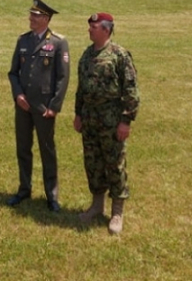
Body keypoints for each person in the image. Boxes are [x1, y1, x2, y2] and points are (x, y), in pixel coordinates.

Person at [73, 12, 139, 235]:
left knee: (114, 164)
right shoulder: (87, 54)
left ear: (106, 29)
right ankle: (96, 206)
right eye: (90, 27)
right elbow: (81, 88)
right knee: (93, 162)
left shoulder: (119, 55)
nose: (89, 30)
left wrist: (125, 121)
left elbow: (130, 90)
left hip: (111, 120)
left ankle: (117, 213)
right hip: (90, 119)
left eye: (94, 27)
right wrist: (78, 114)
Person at [7, 0, 70, 212]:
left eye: (35, 16)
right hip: (23, 105)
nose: (31, 18)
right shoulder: (23, 40)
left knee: (47, 150)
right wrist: (18, 95)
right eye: (31, 14)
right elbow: (13, 73)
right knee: (23, 148)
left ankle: (51, 195)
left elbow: (63, 77)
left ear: (46, 18)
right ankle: (24, 189)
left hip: (44, 107)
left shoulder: (58, 42)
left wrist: (54, 106)